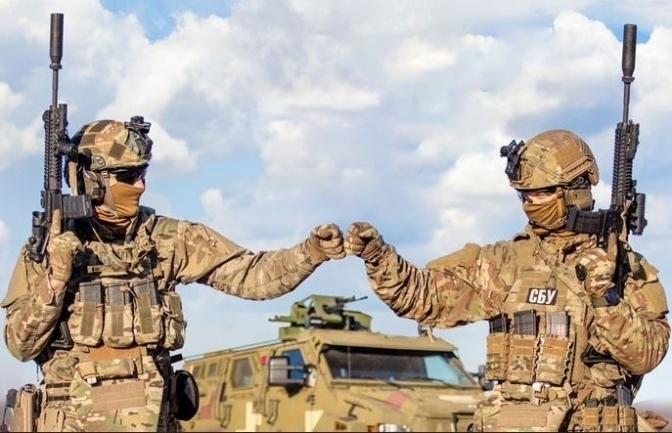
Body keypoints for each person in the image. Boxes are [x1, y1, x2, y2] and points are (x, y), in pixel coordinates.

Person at [1, 117, 345, 432]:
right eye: (127, 176)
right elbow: (20, 344)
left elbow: (252, 276)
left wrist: (311, 251)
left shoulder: (169, 239)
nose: (140, 185)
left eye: (143, 172)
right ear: (92, 180)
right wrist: (56, 281)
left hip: (156, 421)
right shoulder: (49, 248)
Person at [343, 129, 670, 432]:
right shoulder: (506, 262)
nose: (531, 203)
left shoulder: (623, 266)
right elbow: (422, 298)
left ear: (575, 191)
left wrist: (605, 298)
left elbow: (646, 356)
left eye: (542, 193)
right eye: (525, 195)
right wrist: (379, 257)